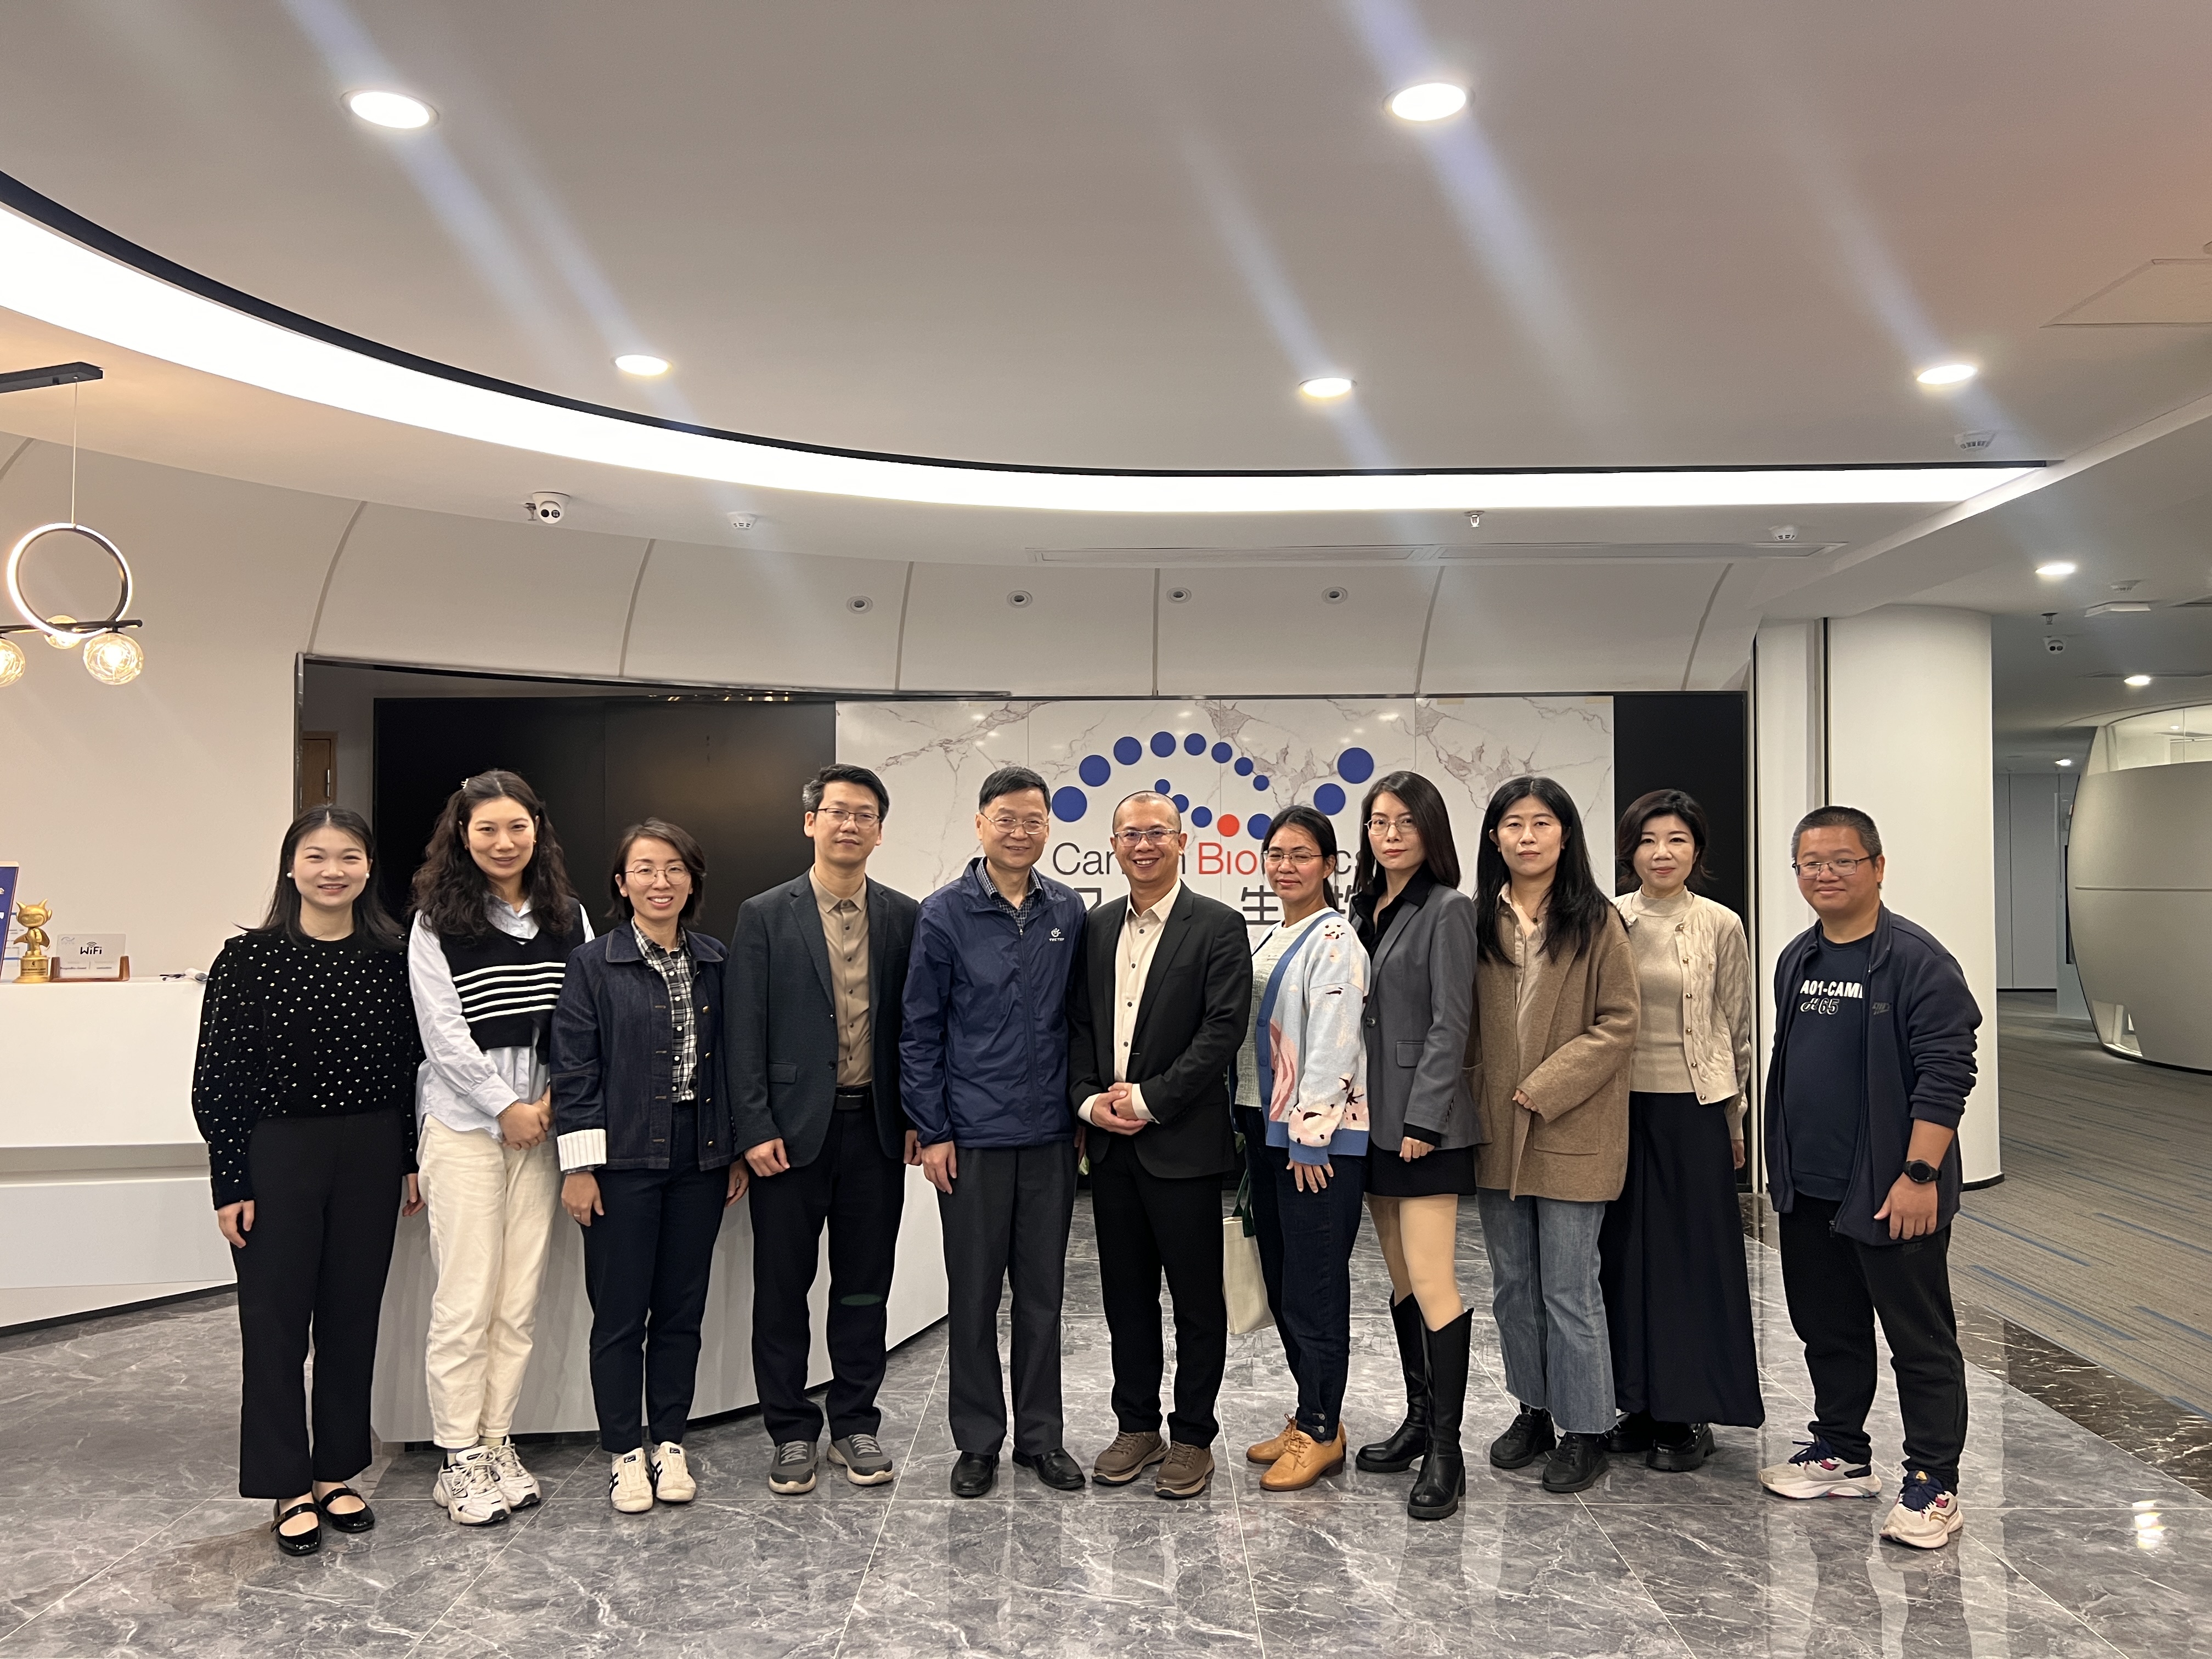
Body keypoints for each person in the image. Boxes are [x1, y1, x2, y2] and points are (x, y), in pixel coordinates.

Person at [191, 806, 424, 1558]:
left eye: (349, 856)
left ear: (368, 868)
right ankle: (286, 1483)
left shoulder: (393, 955)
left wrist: (409, 1157)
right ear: (291, 868)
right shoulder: (247, 959)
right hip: (277, 1152)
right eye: (317, 856)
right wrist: (230, 1179)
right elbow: (218, 1077)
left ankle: (335, 1473)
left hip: (371, 1149)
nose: (333, 871)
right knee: (275, 1323)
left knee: (353, 1318)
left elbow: (412, 1068)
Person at [1757, 805, 1979, 1551]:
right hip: (1810, 1187)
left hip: (1892, 1190)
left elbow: (1948, 1074)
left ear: (1878, 867)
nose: (1825, 874)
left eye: (1842, 860)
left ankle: (1934, 1483)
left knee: (1920, 1340)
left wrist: (1919, 1174)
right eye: (1810, 863)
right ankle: (1843, 1452)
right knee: (1827, 1329)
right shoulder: (1798, 958)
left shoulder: (1918, 960)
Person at [729, 764, 920, 1497]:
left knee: (865, 1287)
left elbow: (915, 1030)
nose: (850, 824)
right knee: (783, 1289)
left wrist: (916, 1118)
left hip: (875, 1130)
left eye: (864, 814)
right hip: (788, 1137)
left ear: (879, 831)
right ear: (810, 822)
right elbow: (743, 1030)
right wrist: (754, 1126)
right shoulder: (764, 914)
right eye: (837, 811)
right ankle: (789, 1429)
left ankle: (854, 1422)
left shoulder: (905, 916)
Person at [408, 770, 589, 1527]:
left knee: (517, 1301)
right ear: (463, 835)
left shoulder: (567, 916)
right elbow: (442, 1034)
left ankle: (495, 1442)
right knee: (466, 1299)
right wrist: (504, 1106)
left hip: (541, 1127)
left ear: (538, 830)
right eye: (487, 829)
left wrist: (547, 1104)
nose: (504, 842)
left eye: (518, 827)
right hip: (465, 1128)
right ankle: (457, 1457)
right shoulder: (434, 921)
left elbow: (583, 1017)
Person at [902, 766, 1088, 1498]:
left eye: (1033, 820)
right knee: (974, 1297)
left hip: (1048, 1137)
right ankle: (978, 1441)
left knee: (1043, 1297)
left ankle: (1041, 1438)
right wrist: (934, 1129)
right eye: (1006, 819)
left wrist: (1079, 1112)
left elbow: (1079, 1020)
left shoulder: (1067, 909)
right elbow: (920, 1029)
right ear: (981, 824)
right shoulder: (944, 913)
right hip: (972, 1137)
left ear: (1048, 828)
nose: (1020, 832)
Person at [551, 819, 747, 1514]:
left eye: (674, 869)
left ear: (692, 881)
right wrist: (579, 1167)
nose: (660, 882)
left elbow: (733, 1062)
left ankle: (669, 1442)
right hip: (622, 1158)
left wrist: (729, 1150)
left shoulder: (717, 960)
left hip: (699, 1157)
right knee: (619, 1315)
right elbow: (575, 1069)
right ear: (621, 882)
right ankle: (624, 1453)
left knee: (681, 1312)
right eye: (644, 869)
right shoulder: (593, 964)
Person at [1066, 791, 1251, 1500]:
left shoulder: (1219, 925)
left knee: (1198, 1304)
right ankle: (1137, 1426)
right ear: (1114, 844)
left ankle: (1194, 1435)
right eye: (1129, 834)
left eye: (1156, 833)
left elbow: (1222, 1030)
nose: (1143, 845)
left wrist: (1148, 1100)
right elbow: (1078, 1024)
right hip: (1112, 1149)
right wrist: (1090, 1101)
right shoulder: (1095, 925)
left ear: (1181, 842)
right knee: (1127, 1299)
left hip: (1184, 1146)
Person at [1470, 775, 1639, 1494]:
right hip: (1495, 1132)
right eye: (1514, 824)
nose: (1527, 836)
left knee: (1570, 1287)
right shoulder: (1479, 919)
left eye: (1542, 823)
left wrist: (1547, 1084)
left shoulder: (1597, 921)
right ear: (1495, 838)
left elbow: (1619, 1023)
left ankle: (1587, 1427)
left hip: (1572, 1128)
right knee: (1514, 1287)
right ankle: (1533, 1409)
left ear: (1565, 836)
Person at [1599, 789, 1763, 1472]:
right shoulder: (1608, 918)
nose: (1661, 853)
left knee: (1691, 1264)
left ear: (1697, 850)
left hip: (1693, 1111)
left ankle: (1687, 1411)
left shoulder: (1721, 923)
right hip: (1616, 1109)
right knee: (1622, 1260)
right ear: (1630, 850)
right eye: (1648, 840)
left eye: (1677, 840)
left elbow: (1738, 1027)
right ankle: (1635, 1401)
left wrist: (1735, 1118)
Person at [1346, 771, 1481, 1521]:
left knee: (1433, 1280)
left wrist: (1424, 1121)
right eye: (1378, 822)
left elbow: (1451, 1023)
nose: (1390, 834)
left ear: (1431, 830)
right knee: (1400, 1279)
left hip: (1423, 1125)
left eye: (1405, 821)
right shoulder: (1362, 908)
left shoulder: (1449, 909)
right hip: (1368, 1118)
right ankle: (1419, 1420)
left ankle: (1447, 1454)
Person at [1239, 805, 1372, 1492]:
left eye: (1301, 855)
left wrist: (1312, 1138)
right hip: (1271, 1134)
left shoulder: (1336, 939)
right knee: (1287, 1281)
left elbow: (1333, 1042)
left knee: (1314, 1288)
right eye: (1276, 854)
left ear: (1329, 865)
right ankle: (1312, 1416)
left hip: (1313, 1145)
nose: (1285, 866)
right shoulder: (1276, 934)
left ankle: (1321, 1430)